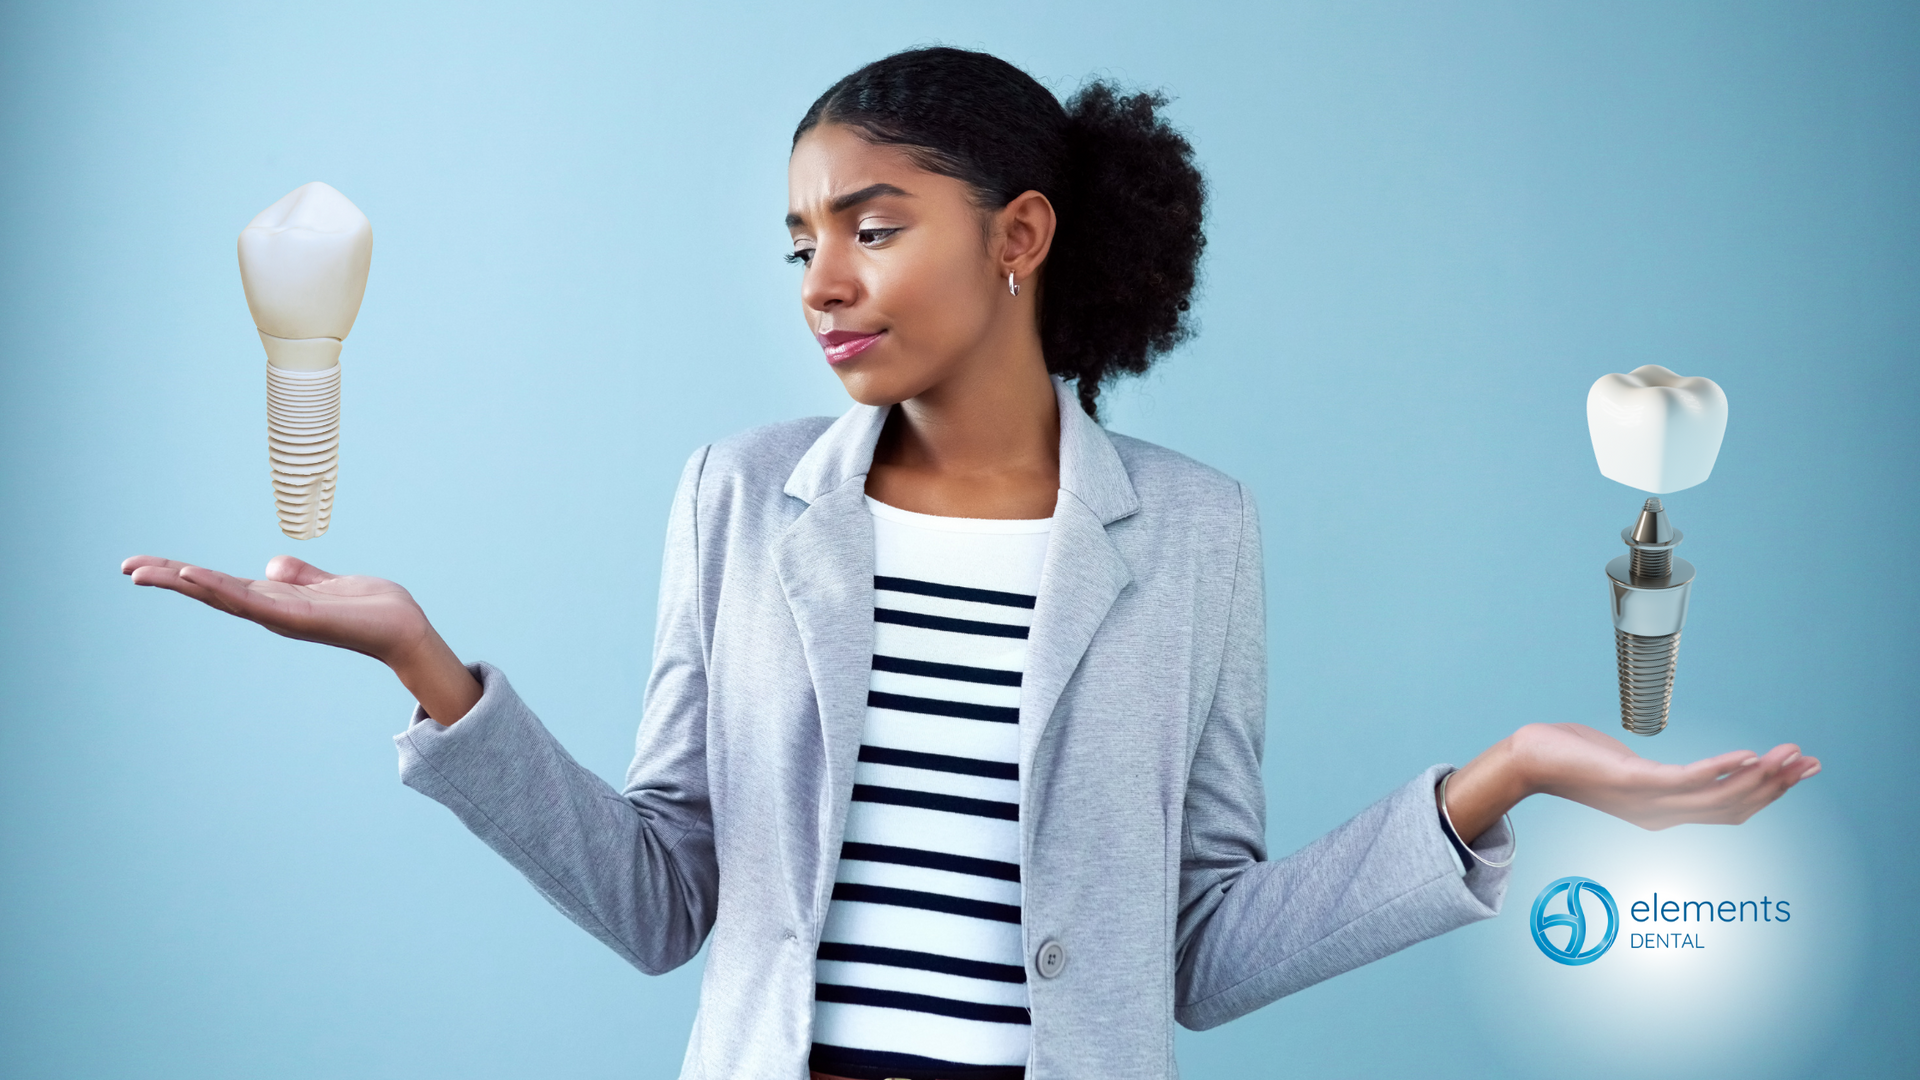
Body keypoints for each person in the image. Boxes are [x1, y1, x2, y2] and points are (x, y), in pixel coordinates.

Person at [122, 47, 1818, 1080]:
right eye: (801, 241)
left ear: (1020, 236)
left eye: (872, 225)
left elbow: (1201, 953)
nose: (821, 281)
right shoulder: (740, 496)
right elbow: (664, 905)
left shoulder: (1197, 528)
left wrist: (1505, 777)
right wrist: (434, 672)